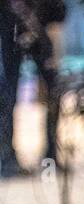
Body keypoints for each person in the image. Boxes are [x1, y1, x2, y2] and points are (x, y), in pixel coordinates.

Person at [0, 0, 65, 178]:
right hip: (11, 23)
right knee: (7, 94)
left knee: (52, 90)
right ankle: (7, 159)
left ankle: (50, 158)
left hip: (41, 23)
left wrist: (55, 20)